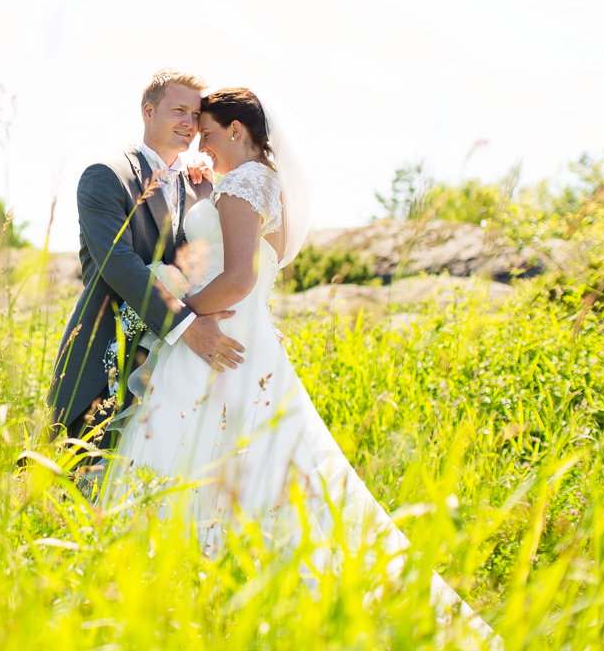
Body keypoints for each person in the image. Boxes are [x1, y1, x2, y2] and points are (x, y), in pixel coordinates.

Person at [106, 87, 498, 644]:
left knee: (199, 450)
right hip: (242, 333)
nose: (203, 144)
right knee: (259, 455)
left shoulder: (245, 182)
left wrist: (175, 319)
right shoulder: (254, 182)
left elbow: (240, 278)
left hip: (220, 338)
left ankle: (183, 586)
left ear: (237, 131)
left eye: (211, 134)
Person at [47, 69, 246, 456]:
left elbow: (209, 262)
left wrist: (250, 321)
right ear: (148, 111)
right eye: (178, 111)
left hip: (173, 372)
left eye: (195, 115)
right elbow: (119, 264)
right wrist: (186, 325)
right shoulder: (106, 176)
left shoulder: (198, 186)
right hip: (107, 359)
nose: (189, 123)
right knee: (82, 484)